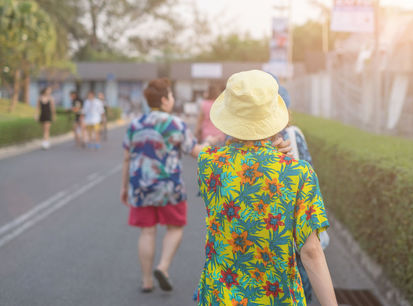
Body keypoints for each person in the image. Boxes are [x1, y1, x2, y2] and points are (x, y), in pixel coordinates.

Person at [195, 70, 338, 305]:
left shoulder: (208, 161)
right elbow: (311, 251)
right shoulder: (298, 173)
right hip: (277, 297)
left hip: (219, 296)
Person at [120, 78, 210, 293]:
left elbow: (126, 158)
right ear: (164, 100)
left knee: (147, 232)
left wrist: (124, 187)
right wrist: (211, 144)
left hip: (140, 186)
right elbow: (195, 151)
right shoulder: (176, 123)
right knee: (175, 228)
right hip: (170, 186)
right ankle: (163, 266)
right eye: (170, 96)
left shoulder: (135, 124)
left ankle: (146, 281)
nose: (172, 99)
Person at [274, 75, 331, 304]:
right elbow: (308, 169)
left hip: (231, 285)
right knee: (301, 281)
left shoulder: (215, 162)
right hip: (292, 240)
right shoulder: (293, 138)